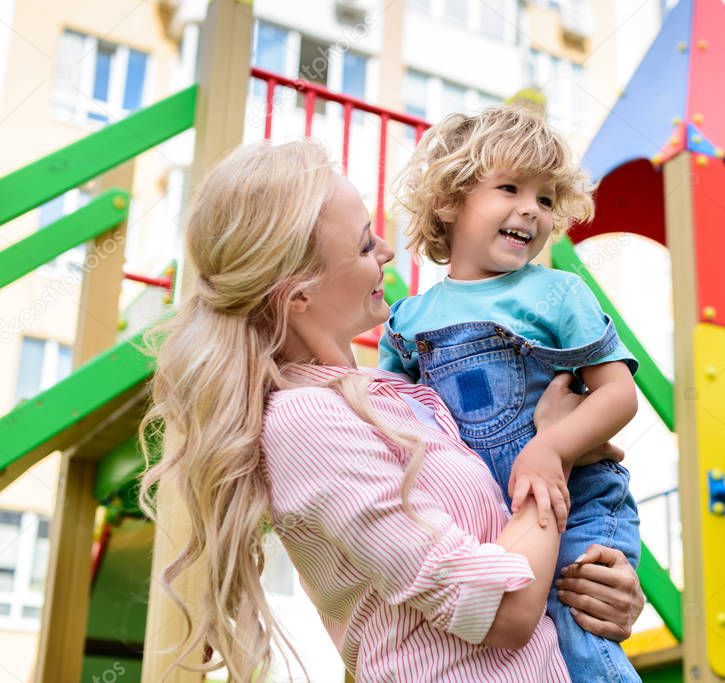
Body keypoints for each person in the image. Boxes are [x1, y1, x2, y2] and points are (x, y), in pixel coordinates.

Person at [138, 139, 645, 682]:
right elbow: (502, 607)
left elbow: (510, 556)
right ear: (298, 295)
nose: (385, 249)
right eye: (362, 246)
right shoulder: (305, 423)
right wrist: (552, 453)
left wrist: (597, 589)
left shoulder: (397, 396)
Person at [380, 106, 642, 681]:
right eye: (509, 188)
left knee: (580, 636)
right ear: (450, 201)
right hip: (487, 518)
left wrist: (554, 446)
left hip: (574, 502)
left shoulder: (556, 293)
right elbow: (393, 421)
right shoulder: (408, 320)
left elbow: (618, 394)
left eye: (546, 199)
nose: (531, 208)